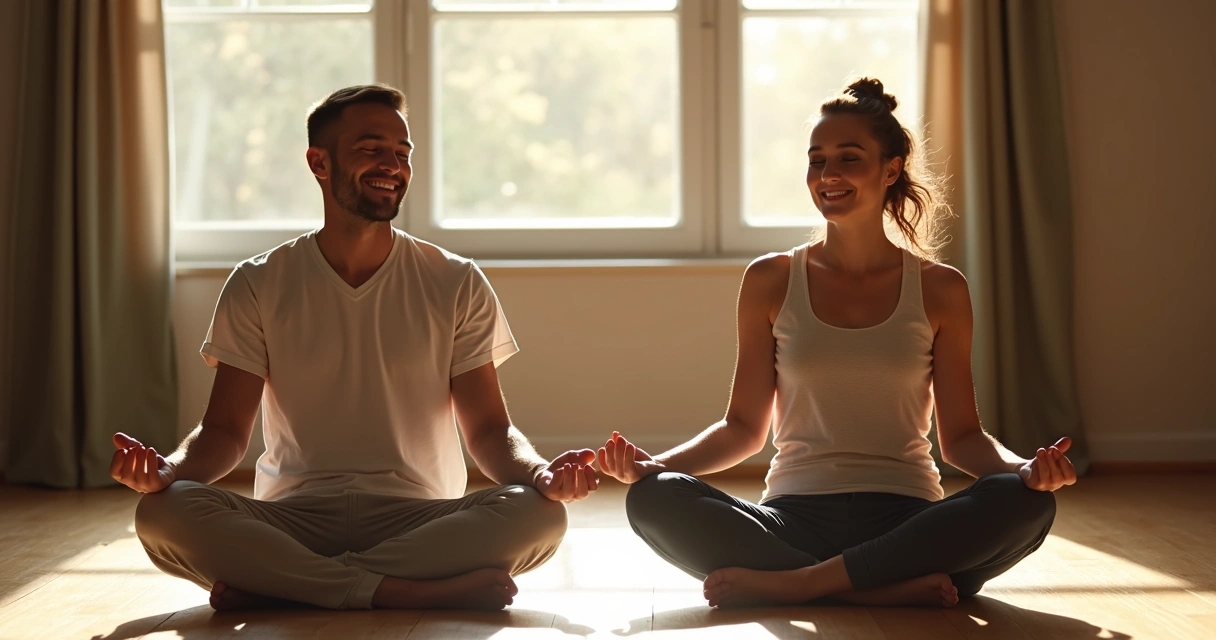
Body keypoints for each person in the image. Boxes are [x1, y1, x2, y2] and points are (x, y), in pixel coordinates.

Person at [110, 84, 599, 612]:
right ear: (319, 163)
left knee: (540, 514)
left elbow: (488, 430)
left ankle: (290, 585)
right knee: (161, 511)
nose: (393, 165)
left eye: (403, 152)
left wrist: (541, 474)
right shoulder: (258, 282)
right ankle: (397, 591)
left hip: (419, 519)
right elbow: (225, 432)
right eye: (371, 149)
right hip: (293, 518)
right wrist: (167, 472)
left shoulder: (456, 281)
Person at [597, 78, 1076, 609]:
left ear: (890, 169)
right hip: (794, 518)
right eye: (816, 160)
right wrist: (655, 467)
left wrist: (1023, 470)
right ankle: (879, 588)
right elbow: (743, 429)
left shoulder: (941, 288)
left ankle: (804, 585)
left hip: (907, 519)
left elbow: (962, 438)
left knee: (1027, 502)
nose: (828, 175)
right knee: (654, 497)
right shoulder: (770, 280)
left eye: (849, 158)